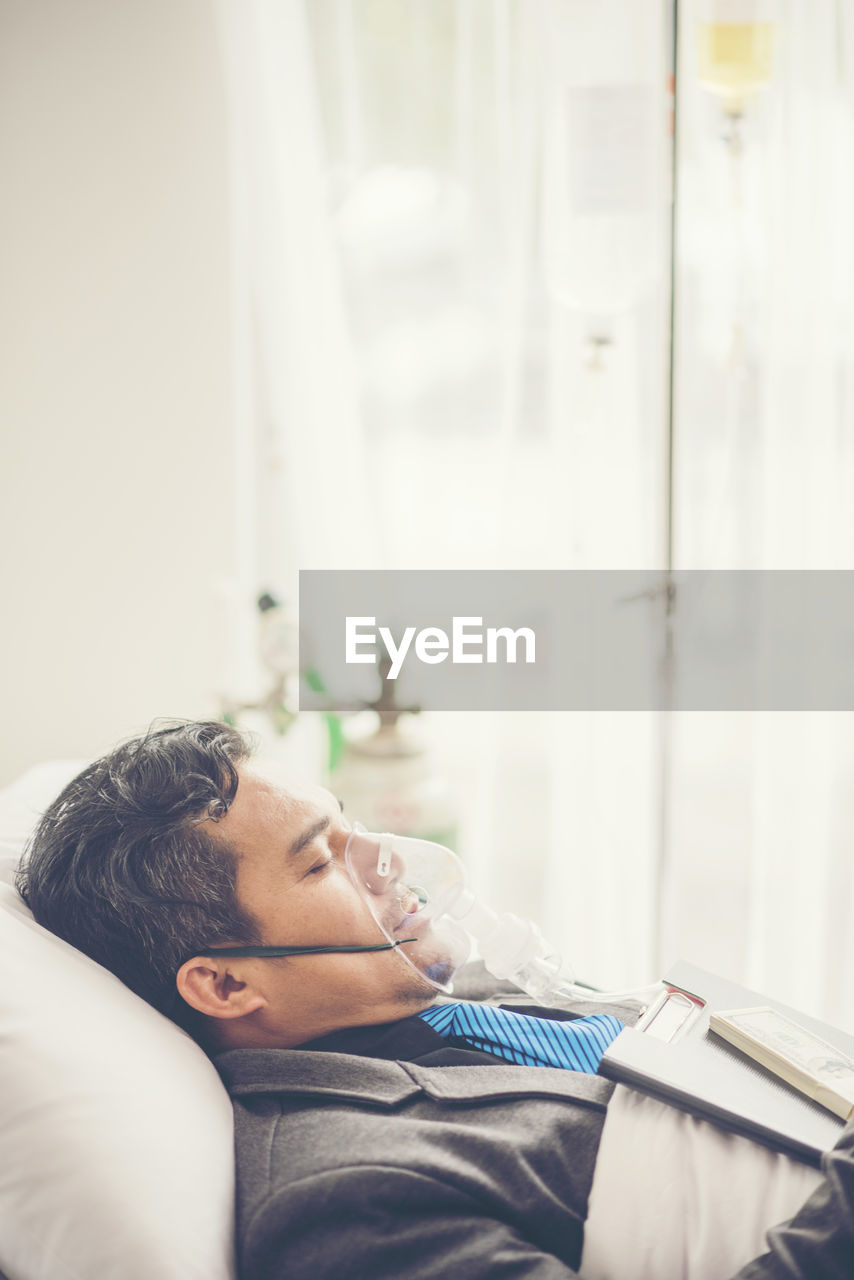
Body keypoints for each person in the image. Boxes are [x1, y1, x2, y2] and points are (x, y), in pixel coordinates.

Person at [15, 720, 854, 1279]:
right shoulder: (344, 1200)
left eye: (347, 825)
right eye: (320, 862)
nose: (384, 855)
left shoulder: (464, 999)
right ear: (228, 982)